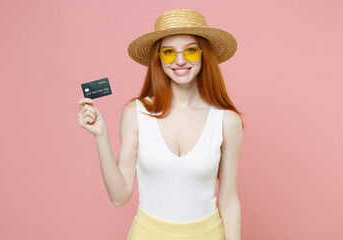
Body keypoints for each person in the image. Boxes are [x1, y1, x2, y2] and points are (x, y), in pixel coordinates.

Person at [78, 9, 244, 240]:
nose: (180, 60)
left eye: (191, 50)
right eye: (168, 52)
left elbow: (228, 201)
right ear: (158, 59)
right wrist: (101, 135)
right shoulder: (136, 113)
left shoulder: (227, 121)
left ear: (204, 54)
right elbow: (119, 196)